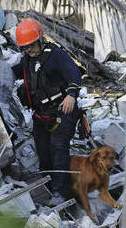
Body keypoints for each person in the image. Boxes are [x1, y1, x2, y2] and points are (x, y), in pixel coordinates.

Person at [12, 18, 82, 206]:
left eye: (31, 45)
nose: (29, 50)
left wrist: (72, 95)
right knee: (43, 152)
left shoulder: (56, 55)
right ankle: (47, 189)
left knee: (58, 149)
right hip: (41, 114)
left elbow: (74, 73)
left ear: (40, 39)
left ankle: (60, 193)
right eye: (25, 47)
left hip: (62, 110)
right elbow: (17, 72)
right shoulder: (27, 59)